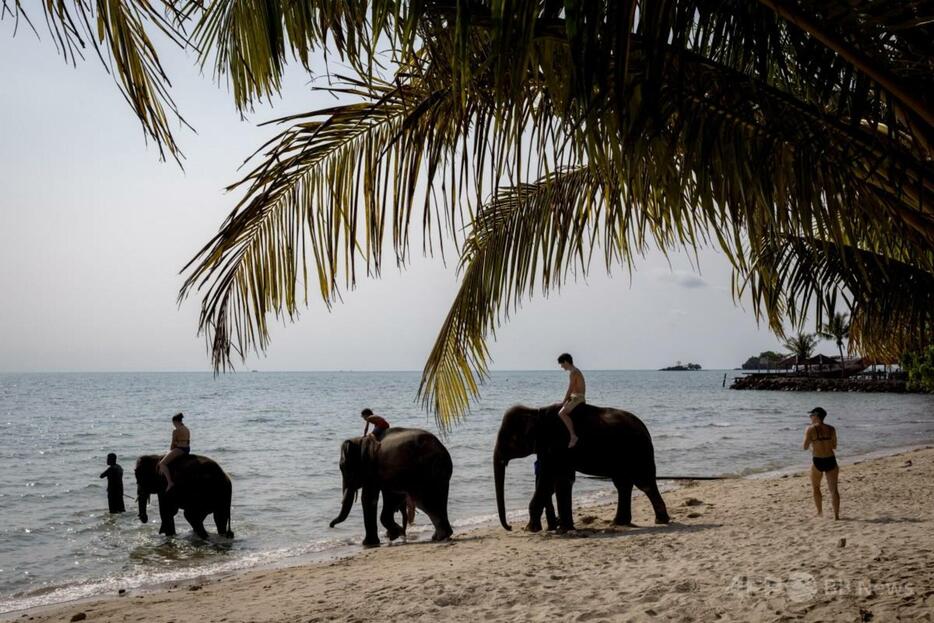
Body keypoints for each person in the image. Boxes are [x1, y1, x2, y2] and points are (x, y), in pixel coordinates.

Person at [802, 407, 840, 519]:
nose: (810, 417)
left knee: (816, 487)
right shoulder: (831, 429)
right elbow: (834, 446)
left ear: (816, 416)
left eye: (811, 415)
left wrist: (813, 447)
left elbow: (804, 447)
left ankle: (820, 512)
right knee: (834, 490)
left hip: (818, 460)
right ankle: (836, 516)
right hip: (831, 459)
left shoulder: (810, 429)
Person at [557, 353, 586, 448]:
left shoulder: (573, 372)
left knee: (561, 413)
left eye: (561, 364)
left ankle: (573, 436)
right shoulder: (575, 371)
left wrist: (563, 401)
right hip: (575, 396)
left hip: (578, 397)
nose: (561, 366)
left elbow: (570, 389)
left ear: (566, 361)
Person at [158, 413, 190, 491]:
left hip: (180, 449)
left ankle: (170, 482)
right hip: (187, 449)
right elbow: (188, 441)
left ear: (176, 421)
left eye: (173, 423)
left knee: (162, 464)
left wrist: (171, 450)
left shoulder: (176, 430)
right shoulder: (186, 428)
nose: (173, 425)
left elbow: (172, 444)